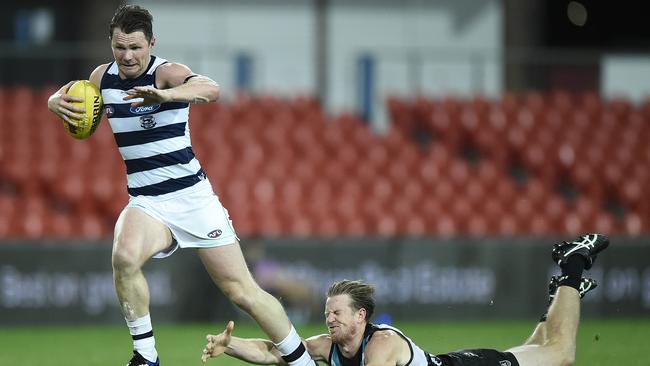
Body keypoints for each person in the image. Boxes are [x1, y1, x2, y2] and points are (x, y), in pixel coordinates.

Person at [46, 5, 316, 366]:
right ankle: (146, 356)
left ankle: (301, 361)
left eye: (136, 48)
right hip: (147, 201)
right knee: (124, 257)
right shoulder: (101, 77)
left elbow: (212, 89)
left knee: (243, 292)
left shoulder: (167, 73)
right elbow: (67, 96)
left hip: (192, 198)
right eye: (119, 47)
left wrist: (168, 96)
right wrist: (53, 102)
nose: (127, 56)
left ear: (151, 43)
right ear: (110, 44)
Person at [201, 233, 609, 366]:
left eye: (338, 314)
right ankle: (562, 293)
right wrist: (229, 345)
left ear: (361, 316)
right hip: (451, 358)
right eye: (328, 314)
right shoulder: (330, 346)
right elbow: (275, 351)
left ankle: (573, 266)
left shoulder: (383, 345)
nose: (330, 320)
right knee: (541, 345)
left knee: (560, 352)